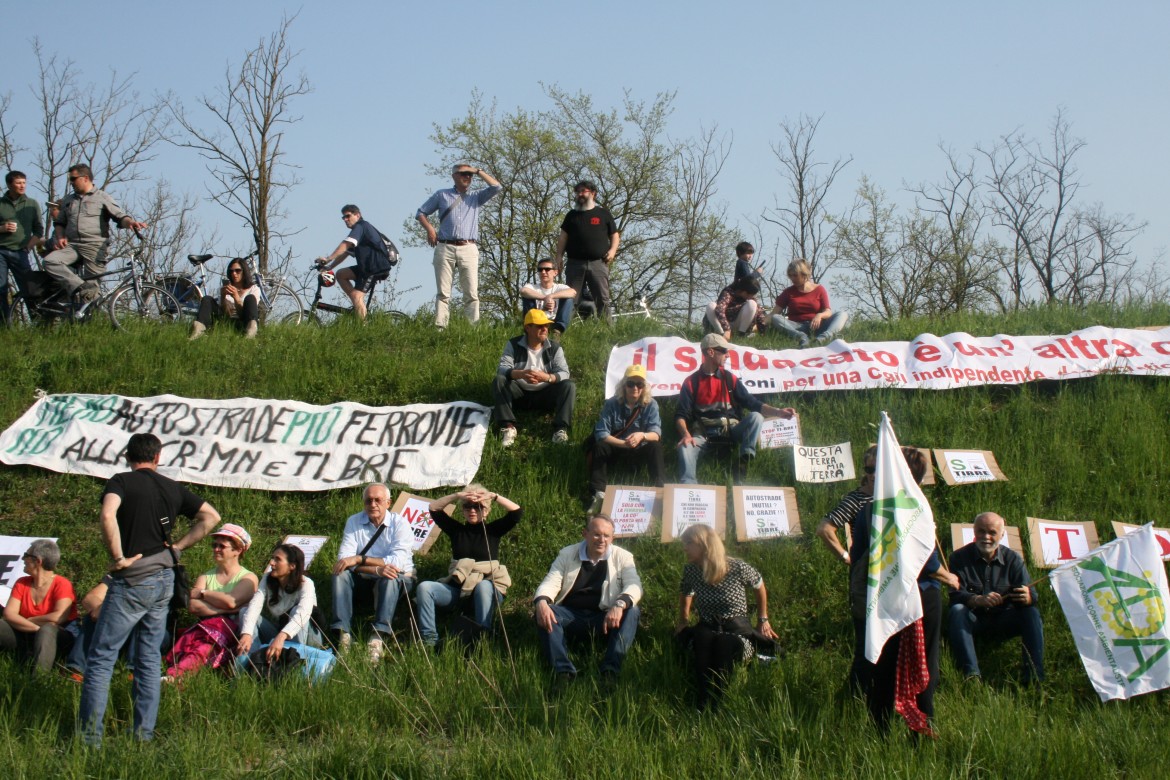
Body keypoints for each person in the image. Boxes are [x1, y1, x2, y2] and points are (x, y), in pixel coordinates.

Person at [78, 433, 220, 746]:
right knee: (146, 659)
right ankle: (142, 735)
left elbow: (107, 513)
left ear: (128, 456)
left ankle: (89, 740)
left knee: (101, 658)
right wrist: (179, 547)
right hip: (164, 579)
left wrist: (118, 558)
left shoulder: (121, 482)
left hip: (132, 579)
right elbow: (212, 517)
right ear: (158, 458)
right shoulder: (171, 486)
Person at [848, 447, 958, 733]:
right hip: (921, 594)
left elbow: (858, 557)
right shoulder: (917, 508)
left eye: (878, 469)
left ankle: (880, 728)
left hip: (885, 594)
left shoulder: (871, 510)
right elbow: (929, 564)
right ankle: (921, 725)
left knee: (883, 662)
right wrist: (950, 578)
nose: (872, 474)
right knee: (922, 661)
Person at [675, 524, 777, 710]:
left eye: (689, 543)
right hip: (707, 628)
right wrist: (683, 621)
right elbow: (685, 593)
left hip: (736, 631)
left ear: (704, 544)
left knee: (725, 643)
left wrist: (763, 619)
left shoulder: (736, 567)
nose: (685, 548)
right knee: (702, 637)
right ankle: (703, 699)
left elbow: (759, 586)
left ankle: (718, 700)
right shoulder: (691, 570)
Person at [533, 514, 642, 686]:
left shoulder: (623, 557)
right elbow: (551, 581)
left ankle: (610, 671)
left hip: (604, 617)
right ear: (585, 534)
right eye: (597, 534)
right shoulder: (567, 553)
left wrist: (620, 605)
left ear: (612, 537)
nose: (602, 540)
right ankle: (563, 671)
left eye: (607, 536)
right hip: (571, 616)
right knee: (546, 609)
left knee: (632, 611)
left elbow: (634, 585)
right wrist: (541, 601)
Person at [675, 333, 797, 484]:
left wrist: (779, 412)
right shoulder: (691, 382)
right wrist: (686, 435)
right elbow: (680, 415)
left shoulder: (729, 378)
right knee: (685, 447)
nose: (728, 355)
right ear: (711, 352)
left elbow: (752, 403)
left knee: (756, 417)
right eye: (725, 351)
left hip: (732, 431)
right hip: (703, 435)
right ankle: (688, 487)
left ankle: (742, 462)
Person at [415, 485, 521, 648]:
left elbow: (516, 513)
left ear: (486, 511)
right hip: (459, 590)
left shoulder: (493, 531)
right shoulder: (457, 531)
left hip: (487, 591)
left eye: (478, 506)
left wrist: (493, 496)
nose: (472, 510)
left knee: (484, 586)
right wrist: (458, 495)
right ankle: (429, 640)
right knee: (424, 588)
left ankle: (482, 638)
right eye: (467, 506)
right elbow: (434, 508)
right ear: (462, 510)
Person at [948, 511, 1045, 684]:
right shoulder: (958, 558)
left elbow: (1033, 596)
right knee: (957, 610)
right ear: (974, 532)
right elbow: (955, 595)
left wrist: (1027, 598)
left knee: (1031, 613)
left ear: (1002, 534)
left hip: (1004, 619)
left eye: (992, 532)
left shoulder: (1014, 560)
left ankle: (1034, 677)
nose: (986, 537)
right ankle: (971, 675)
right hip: (974, 619)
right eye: (981, 531)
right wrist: (977, 599)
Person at [815, 444, 877, 692]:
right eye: (869, 468)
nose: (873, 473)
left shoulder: (897, 496)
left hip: (893, 576)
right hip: (865, 577)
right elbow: (824, 528)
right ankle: (855, 695)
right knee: (866, 642)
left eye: (878, 468)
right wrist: (845, 555)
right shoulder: (857, 499)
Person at [331, 483, 415, 663]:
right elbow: (344, 559)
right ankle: (343, 635)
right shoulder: (354, 521)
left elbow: (397, 562)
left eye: (378, 500)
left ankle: (378, 637)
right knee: (340, 574)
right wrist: (376, 568)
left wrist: (360, 559)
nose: (373, 504)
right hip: (365, 579)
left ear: (388, 503)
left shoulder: (400, 524)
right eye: (368, 500)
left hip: (396, 581)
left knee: (390, 576)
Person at [163, 523, 259, 682]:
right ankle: (176, 677)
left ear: (238, 550)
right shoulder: (206, 576)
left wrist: (203, 593)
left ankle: (176, 676)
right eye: (214, 545)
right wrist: (227, 609)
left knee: (205, 644)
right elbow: (193, 606)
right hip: (207, 629)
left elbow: (231, 601)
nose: (216, 549)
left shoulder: (248, 578)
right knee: (203, 643)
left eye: (222, 546)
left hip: (234, 631)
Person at [43, 163, 147, 307]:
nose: (71, 182)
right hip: (72, 245)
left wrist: (131, 223)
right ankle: (79, 287)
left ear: (85, 178)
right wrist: (60, 236)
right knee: (50, 261)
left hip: (95, 246)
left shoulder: (102, 197)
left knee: (93, 289)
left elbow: (120, 216)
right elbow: (59, 222)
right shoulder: (68, 200)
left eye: (73, 179)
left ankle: (91, 320)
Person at [416, 163, 502, 328]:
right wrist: (430, 230)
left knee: (471, 293)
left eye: (470, 174)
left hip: (468, 247)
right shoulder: (442, 195)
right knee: (443, 293)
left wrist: (479, 171)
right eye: (463, 174)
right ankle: (440, 327)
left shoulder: (476, 196)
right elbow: (421, 212)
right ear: (454, 176)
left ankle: (473, 328)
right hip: (445, 247)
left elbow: (496, 187)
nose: (467, 177)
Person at [492, 308, 576, 447]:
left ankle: (560, 430)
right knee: (499, 380)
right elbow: (502, 369)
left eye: (546, 325)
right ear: (527, 328)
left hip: (545, 395)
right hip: (519, 394)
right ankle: (508, 427)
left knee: (569, 385)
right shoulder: (513, 344)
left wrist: (547, 377)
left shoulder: (555, 347)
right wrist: (521, 374)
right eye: (539, 326)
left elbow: (564, 372)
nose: (545, 329)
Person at [587, 364, 665, 507]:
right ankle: (598, 493)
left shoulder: (652, 404)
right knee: (599, 446)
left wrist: (642, 435)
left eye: (639, 384)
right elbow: (601, 433)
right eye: (630, 384)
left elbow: (656, 434)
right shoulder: (611, 403)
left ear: (644, 387)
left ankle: (660, 489)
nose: (635, 388)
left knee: (655, 446)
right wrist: (623, 444)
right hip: (617, 447)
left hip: (639, 448)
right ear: (624, 385)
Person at [0, 539, 78, 673]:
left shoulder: (62, 584)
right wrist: (36, 628)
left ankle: (38, 681)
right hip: (27, 633)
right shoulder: (22, 583)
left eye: (26, 555)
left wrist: (30, 620)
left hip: (58, 637)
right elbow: (9, 614)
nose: (23, 559)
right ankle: (23, 658)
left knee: (47, 630)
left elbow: (59, 617)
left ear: (38, 561)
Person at [237, 543, 326, 659]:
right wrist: (247, 633)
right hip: (281, 632)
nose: (271, 563)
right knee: (244, 611)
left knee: (295, 610)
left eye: (277, 559)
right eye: (272, 558)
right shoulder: (267, 579)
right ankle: (251, 661)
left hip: (309, 637)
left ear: (292, 566)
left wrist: (282, 636)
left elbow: (302, 614)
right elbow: (255, 604)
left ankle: (294, 660)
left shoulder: (306, 583)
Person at [553, 180, 620, 322]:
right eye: (578, 192)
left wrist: (613, 251)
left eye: (583, 191)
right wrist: (559, 256)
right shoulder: (571, 215)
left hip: (598, 263)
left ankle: (607, 331)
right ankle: (563, 330)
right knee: (570, 299)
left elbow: (614, 235)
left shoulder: (603, 214)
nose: (580, 194)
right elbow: (563, 237)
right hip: (574, 264)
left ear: (593, 193)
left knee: (602, 299)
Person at [316, 204, 393, 321]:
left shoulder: (361, 226)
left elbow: (345, 245)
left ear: (358, 215)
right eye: (343, 218)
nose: (345, 220)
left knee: (356, 295)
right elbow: (345, 252)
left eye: (348, 216)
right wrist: (329, 267)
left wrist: (328, 258)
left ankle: (363, 328)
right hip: (366, 268)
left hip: (375, 268)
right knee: (341, 274)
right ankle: (358, 306)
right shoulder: (360, 232)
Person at [770, 259, 848, 347]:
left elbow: (828, 311)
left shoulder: (819, 289)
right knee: (775, 318)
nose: (792, 279)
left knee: (842, 314)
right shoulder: (788, 292)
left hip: (817, 325)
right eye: (790, 276)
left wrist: (819, 315)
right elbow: (774, 313)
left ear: (804, 274)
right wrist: (759, 324)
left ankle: (823, 339)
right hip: (797, 327)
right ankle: (801, 338)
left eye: (795, 275)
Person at [0, 171, 43, 324]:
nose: (22, 186)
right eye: (18, 183)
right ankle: (4, 327)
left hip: (21, 252)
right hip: (1, 252)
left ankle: (38, 322)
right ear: (9, 184)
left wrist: (29, 247)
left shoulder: (32, 204)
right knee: (1, 289)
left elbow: (39, 230)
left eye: (24, 182)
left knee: (29, 289)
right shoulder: (1, 203)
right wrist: (2, 229)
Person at [189, 257, 261, 340]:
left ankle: (251, 333)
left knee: (250, 298)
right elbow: (225, 314)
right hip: (227, 320)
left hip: (244, 320)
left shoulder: (253, 289)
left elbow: (246, 312)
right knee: (207, 299)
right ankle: (197, 331)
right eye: (231, 271)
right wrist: (223, 297)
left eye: (238, 271)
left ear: (244, 271)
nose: (234, 274)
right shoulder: (226, 288)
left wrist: (236, 297)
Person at [520, 258, 576, 335]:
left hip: (554, 321)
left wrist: (551, 296)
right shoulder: (532, 287)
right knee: (527, 297)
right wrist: (544, 299)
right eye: (540, 269)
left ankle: (557, 331)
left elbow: (573, 292)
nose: (543, 272)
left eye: (547, 269)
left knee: (568, 298)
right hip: (537, 321)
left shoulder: (560, 287)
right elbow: (523, 291)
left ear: (555, 272)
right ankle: (531, 327)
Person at [703, 276, 767, 340]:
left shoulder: (751, 299)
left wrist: (763, 333)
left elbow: (760, 315)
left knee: (752, 304)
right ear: (745, 292)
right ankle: (722, 335)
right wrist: (727, 329)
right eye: (752, 294)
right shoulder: (728, 292)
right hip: (723, 324)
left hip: (737, 325)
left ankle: (741, 335)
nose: (752, 296)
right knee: (711, 306)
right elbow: (719, 309)